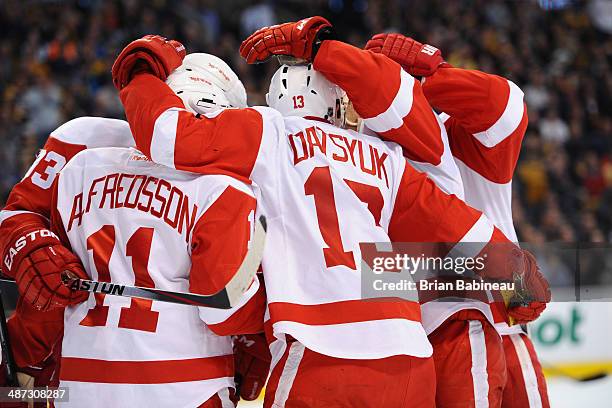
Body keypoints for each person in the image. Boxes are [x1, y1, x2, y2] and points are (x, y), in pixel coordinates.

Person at [112, 18, 549, 407]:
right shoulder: (384, 155)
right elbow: (458, 224)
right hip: (408, 358)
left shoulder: (263, 132)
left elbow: (171, 138)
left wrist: (140, 71)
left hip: (317, 349)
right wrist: (521, 278)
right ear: (339, 102)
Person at [0, 53, 266, 408]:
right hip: (185, 383)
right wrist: (28, 245)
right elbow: (15, 217)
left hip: (78, 376)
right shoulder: (236, 182)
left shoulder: (84, 165)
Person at [365, 33, 550, 407]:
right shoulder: (358, 147)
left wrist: (431, 75)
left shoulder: (461, 134)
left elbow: (507, 105)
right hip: (405, 346)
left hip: (493, 330)